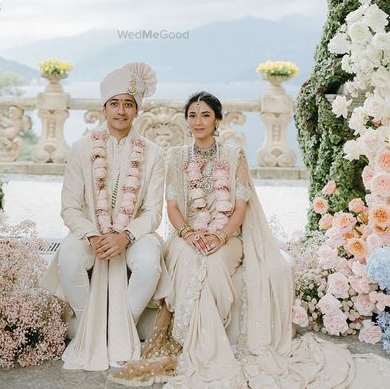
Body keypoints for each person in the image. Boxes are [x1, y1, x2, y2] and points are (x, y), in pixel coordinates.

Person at [112, 91, 357, 388]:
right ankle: (197, 347)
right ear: (186, 120)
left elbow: (240, 207)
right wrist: (188, 234)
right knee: (190, 261)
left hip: (226, 236)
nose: (198, 121)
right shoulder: (176, 156)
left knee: (212, 267)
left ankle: (206, 350)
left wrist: (219, 235)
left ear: (217, 119)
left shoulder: (232, 154)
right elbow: (173, 206)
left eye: (205, 115)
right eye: (192, 115)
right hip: (185, 236)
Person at [40, 62, 169, 371]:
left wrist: (126, 236)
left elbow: (153, 212)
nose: (121, 111)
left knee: (150, 261)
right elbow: (69, 206)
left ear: (137, 111)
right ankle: (87, 329)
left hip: (134, 234)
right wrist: (94, 235)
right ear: (104, 108)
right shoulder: (83, 148)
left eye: (128, 104)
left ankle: (123, 329)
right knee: (69, 257)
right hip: (91, 233)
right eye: (114, 104)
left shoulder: (153, 153)